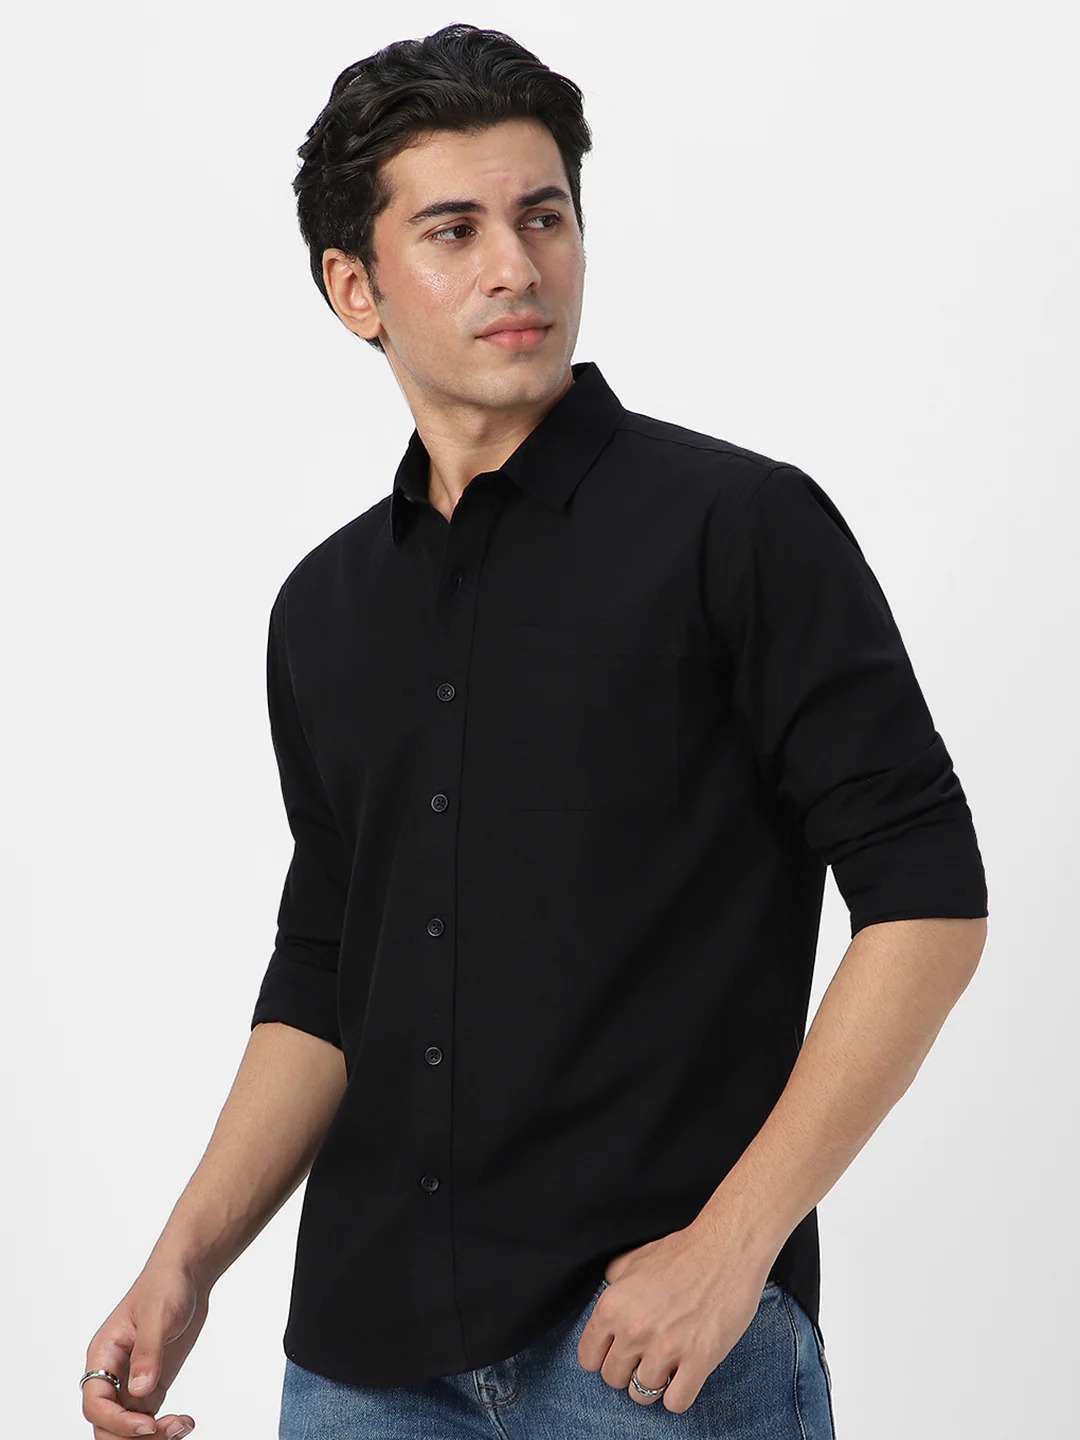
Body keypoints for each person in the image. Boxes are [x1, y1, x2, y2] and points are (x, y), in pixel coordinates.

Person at [80, 22, 989, 1440]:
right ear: (354, 286)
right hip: (362, 1367)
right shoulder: (322, 608)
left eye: (544, 216)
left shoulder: (740, 529)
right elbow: (327, 967)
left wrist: (735, 1246)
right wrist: (183, 1263)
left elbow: (926, 899)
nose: (517, 266)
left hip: (651, 1355)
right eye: (454, 230)